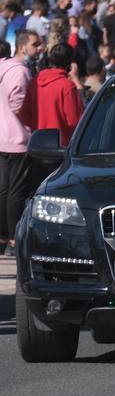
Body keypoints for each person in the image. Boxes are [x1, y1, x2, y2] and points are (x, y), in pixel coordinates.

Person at [0, 36, 33, 255]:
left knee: (3, 190)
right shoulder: (19, 71)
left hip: (2, 137)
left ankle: (3, 235)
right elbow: (18, 104)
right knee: (16, 193)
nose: (38, 49)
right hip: (18, 138)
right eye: (35, 44)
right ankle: (13, 238)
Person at [36, 42, 83, 147]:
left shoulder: (33, 82)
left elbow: (25, 115)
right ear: (70, 64)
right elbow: (75, 120)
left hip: (35, 143)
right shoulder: (67, 86)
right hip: (59, 146)